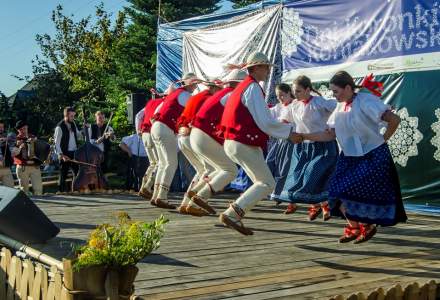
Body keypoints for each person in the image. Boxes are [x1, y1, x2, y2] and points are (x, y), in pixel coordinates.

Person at [300, 71, 407, 243]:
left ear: (348, 88)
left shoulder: (365, 101)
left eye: (336, 91)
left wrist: (382, 139)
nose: (333, 95)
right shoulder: (339, 108)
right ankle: (354, 227)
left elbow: (394, 119)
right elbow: (329, 135)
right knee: (335, 192)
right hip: (349, 157)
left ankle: (365, 226)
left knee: (355, 192)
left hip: (372, 155)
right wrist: (304, 136)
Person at [218, 52, 301, 235]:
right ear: (255, 68)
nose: (267, 71)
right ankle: (232, 213)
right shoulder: (252, 88)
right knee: (266, 183)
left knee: (260, 182)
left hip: (233, 141)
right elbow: (264, 121)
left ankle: (233, 213)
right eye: (265, 67)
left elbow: (225, 103)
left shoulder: (241, 88)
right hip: (243, 142)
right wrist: (289, 133)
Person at [181, 69, 247, 216]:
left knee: (213, 170)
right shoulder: (231, 94)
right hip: (202, 134)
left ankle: (189, 200)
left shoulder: (214, 95)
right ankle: (200, 197)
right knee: (230, 170)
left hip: (193, 134)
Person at [273, 76, 339, 220]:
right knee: (301, 176)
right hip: (303, 147)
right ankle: (315, 206)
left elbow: (338, 108)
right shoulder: (294, 105)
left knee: (314, 173)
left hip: (323, 146)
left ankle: (325, 205)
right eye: (294, 91)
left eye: (298, 91)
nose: (295, 95)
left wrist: (331, 124)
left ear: (308, 89)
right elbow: (284, 121)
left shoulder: (319, 102)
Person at [149, 73, 202, 209]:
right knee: (170, 163)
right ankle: (161, 196)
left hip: (156, 127)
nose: (196, 86)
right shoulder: (185, 95)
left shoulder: (172, 95)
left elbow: (155, 114)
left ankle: (156, 195)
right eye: (195, 83)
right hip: (165, 128)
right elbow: (194, 114)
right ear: (190, 83)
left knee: (163, 163)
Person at [176, 79, 223, 215]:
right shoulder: (209, 99)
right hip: (193, 136)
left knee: (202, 169)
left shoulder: (195, 97)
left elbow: (182, 118)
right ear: (215, 88)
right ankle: (194, 202)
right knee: (211, 169)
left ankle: (186, 202)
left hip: (183, 137)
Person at [135, 87, 173, 199]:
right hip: (153, 133)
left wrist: (138, 130)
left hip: (144, 134)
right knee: (160, 163)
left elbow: (138, 116)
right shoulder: (165, 104)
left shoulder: (150, 103)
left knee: (153, 163)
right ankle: (147, 187)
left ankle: (143, 186)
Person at [265, 84, 295, 210]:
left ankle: (284, 197)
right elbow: (267, 114)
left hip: (291, 141)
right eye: (278, 96)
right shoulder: (278, 107)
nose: (280, 98)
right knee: (269, 163)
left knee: (285, 169)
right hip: (279, 141)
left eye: (283, 95)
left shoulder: (295, 105)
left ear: (289, 93)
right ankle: (273, 191)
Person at [54, 107, 82, 192]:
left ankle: (76, 190)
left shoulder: (73, 123)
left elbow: (78, 135)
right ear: (66, 115)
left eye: (74, 116)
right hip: (64, 153)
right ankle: (61, 193)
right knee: (63, 175)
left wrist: (85, 130)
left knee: (78, 173)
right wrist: (61, 155)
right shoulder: (59, 127)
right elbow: (56, 144)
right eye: (71, 116)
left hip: (74, 153)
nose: (73, 118)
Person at [11, 121, 43, 195]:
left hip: (35, 167)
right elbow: (12, 154)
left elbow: (40, 150)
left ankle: (38, 206)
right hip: (22, 167)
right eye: (22, 129)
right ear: (18, 130)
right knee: (24, 191)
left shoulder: (33, 137)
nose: (24, 130)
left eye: (25, 128)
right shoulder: (15, 139)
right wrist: (18, 146)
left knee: (38, 190)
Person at [0, 121, 15, 187]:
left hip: (6, 168)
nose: (1, 129)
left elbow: (14, 138)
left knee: (11, 189)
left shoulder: (6, 137)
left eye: (2, 127)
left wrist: (7, 139)